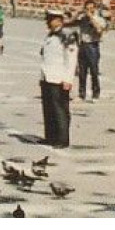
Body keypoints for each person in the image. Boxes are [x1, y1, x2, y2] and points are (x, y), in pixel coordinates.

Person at [38, 10, 78, 147]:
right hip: (47, 77)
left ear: (59, 20)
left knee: (60, 109)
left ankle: (62, 139)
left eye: (50, 19)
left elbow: (71, 58)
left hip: (59, 78)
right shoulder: (50, 36)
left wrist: (68, 79)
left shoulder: (67, 35)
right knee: (48, 109)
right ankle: (50, 136)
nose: (47, 22)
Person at [74, 0, 106, 101]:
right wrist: (78, 13)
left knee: (94, 71)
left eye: (90, 8)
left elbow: (99, 30)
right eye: (86, 8)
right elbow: (70, 22)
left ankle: (95, 93)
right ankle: (81, 93)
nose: (88, 10)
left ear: (94, 8)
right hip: (82, 45)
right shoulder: (82, 18)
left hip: (92, 46)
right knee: (82, 72)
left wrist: (91, 18)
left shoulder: (99, 18)